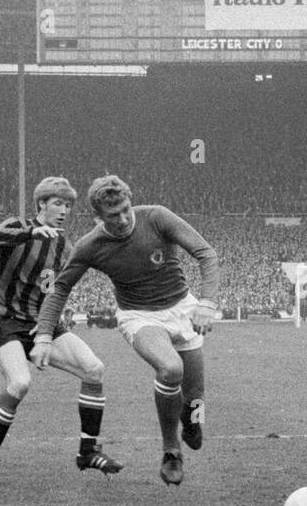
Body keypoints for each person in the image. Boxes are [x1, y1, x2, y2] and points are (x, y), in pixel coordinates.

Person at [31, 175, 219, 487]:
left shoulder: (157, 217)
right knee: (171, 368)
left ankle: (190, 420)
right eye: (112, 215)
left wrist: (207, 303)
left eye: (125, 210)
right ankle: (171, 451)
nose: (122, 219)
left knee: (195, 410)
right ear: (97, 217)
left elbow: (206, 253)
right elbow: (60, 288)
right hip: (139, 316)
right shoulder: (90, 246)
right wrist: (43, 336)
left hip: (184, 308)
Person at [0, 177, 121, 487]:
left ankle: (88, 451)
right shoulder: (19, 226)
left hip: (44, 324)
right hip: (7, 321)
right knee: (20, 382)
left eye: (68, 205)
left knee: (94, 369)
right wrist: (28, 232)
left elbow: (57, 291)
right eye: (58, 203)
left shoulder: (65, 247)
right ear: (41, 204)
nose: (64, 210)